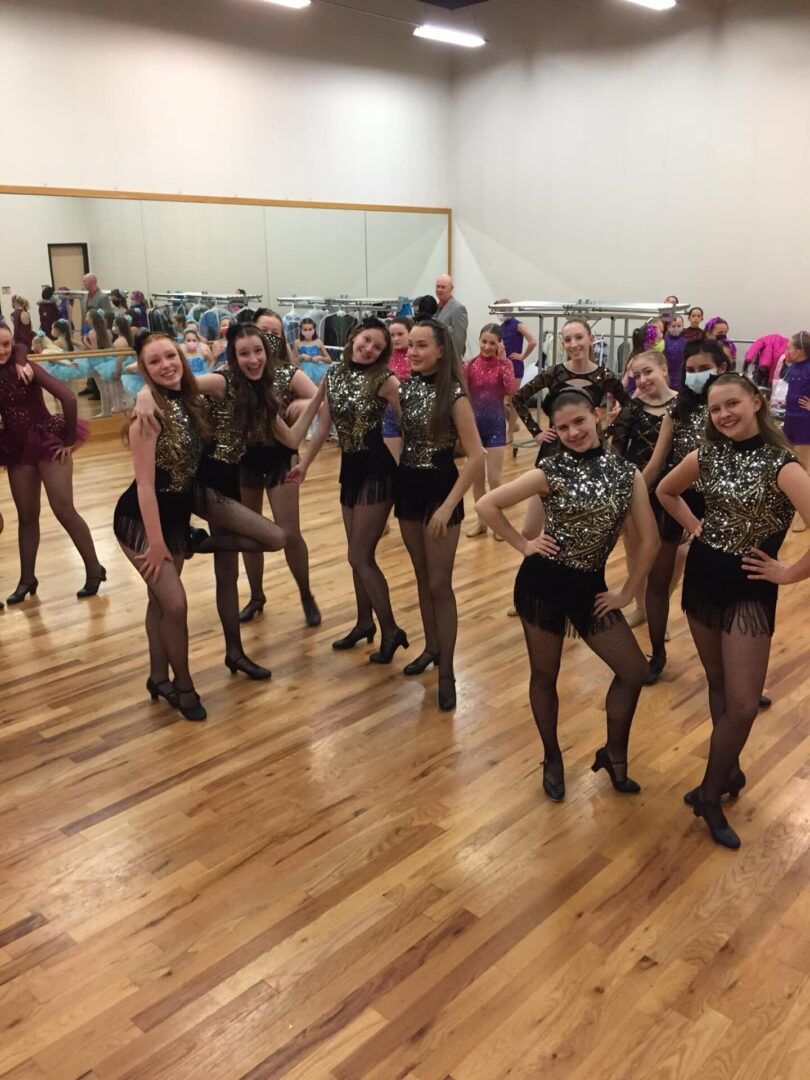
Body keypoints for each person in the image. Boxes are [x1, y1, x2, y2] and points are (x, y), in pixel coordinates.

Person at [477, 387, 658, 801]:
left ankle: (614, 754)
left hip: (590, 588)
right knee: (545, 675)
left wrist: (628, 592)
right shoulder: (549, 470)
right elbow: (487, 505)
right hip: (542, 584)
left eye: (579, 421)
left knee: (633, 671)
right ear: (554, 431)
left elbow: (648, 540)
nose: (573, 431)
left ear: (597, 415)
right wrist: (524, 546)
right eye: (562, 426)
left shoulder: (625, 473)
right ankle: (552, 756)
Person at [657, 374, 810, 849]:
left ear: (757, 402)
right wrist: (695, 526)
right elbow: (665, 490)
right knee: (719, 684)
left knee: (743, 703)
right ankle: (728, 771)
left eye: (732, 404)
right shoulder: (707, 453)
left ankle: (708, 793)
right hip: (704, 578)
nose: (723, 414)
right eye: (715, 408)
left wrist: (787, 573)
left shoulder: (783, 465)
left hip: (750, 586)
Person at [132, 325, 326, 682]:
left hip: (226, 482)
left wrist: (318, 397)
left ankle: (234, 652)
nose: (252, 360)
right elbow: (180, 383)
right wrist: (145, 392)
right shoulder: (222, 381)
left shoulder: (260, 393)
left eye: (258, 352)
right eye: (243, 354)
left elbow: (294, 438)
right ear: (232, 359)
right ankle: (161, 674)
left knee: (229, 573)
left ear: (267, 355)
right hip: (197, 480)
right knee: (166, 591)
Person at [289, 318, 407, 661]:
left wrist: (414, 464)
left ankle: (391, 629)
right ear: (354, 337)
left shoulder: (386, 380)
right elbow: (324, 426)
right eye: (366, 341)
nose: (368, 349)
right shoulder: (334, 375)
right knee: (359, 555)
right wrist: (305, 464)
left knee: (359, 555)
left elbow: (410, 421)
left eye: (377, 347)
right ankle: (363, 623)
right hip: (350, 469)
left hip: (377, 470)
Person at [114, 333, 211, 722]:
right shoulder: (148, 412)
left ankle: (158, 677)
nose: (166, 365)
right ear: (144, 370)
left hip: (175, 517)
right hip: (140, 519)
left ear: (183, 357)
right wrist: (155, 543)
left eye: (170, 356)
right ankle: (183, 685)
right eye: (154, 362)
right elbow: (145, 486)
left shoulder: (189, 398)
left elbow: (218, 380)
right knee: (175, 603)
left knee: (159, 603)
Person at [394, 318, 485, 710]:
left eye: (421, 346)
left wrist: (448, 507)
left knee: (439, 584)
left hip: (440, 491)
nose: (412, 352)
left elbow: (477, 455)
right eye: (410, 345)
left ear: (441, 350)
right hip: (409, 487)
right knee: (420, 576)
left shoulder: (454, 395)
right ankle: (431, 648)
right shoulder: (408, 388)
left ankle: (447, 670)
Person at [640, 340, 731, 682]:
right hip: (675, 496)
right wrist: (626, 500)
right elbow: (655, 465)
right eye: (689, 371)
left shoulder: (730, 409)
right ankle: (657, 653)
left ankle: (735, 667)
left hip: (721, 502)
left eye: (701, 369)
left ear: (720, 367)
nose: (695, 376)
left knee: (722, 584)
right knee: (658, 577)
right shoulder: (676, 411)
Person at [0, 323, 105, 604]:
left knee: (64, 509)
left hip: (46, 442)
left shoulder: (25, 366)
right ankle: (27, 579)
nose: (3, 350)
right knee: (26, 516)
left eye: (7, 344)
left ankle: (94, 569)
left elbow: (68, 398)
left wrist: (69, 439)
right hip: (16, 448)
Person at [511, 317, 631, 543]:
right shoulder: (554, 372)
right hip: (555, 451)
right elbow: (518, 398)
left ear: (590, 339)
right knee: (532, 527)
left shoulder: (604, 376)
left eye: (578, 337)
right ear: (563, 344)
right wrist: (536, 431)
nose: (574, 344)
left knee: (578, 519)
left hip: (589, 454)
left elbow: (629, 407)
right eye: (568, 339)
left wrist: (608, 431)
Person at [238, 309, 321, 627]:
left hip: (280, 458)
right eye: (264, 332)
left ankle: (305, 593)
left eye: (275, 334)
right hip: (244, 458)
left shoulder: (288, 373)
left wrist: (298, 409)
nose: (270, 339)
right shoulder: (235, 373)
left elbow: (319, 402)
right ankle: (256, 595)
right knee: (248, 530)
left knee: (290, 533)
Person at [611, 350, 678, 628]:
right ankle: (641, 607)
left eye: (647, 372)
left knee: (670, 556)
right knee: (636, 551)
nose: (642, 380)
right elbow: (617, 450)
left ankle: (657, 605)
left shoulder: (682, 406)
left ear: (663, 369)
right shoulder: (632, 409)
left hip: (672, 489)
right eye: (636, 376)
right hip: (635, 486)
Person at [463, 323, 516, 538]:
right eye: (484, 341)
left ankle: (498, 524)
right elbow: (464, 396)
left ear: (499, 344)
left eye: (492, 343)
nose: (486, 346)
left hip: (495, 427)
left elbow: (512, 390)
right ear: (479, 340)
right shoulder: (469, 365)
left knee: (494, 478)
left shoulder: (505, 365)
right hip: (474, 428)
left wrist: (503, 362)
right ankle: (481, 521)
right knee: (476, 479)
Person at [783, 331, 810, 531]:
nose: (788, 350)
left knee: (803, 466)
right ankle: (790, 503)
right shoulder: (793, 367)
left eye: (791, 347)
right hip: (790, 419)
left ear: (800, 350)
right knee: (789, 461)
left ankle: (804, 513)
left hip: (805, 422)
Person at [382, 316, 412, 461]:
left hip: (414, 416)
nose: (396, 339)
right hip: (389, 416)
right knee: (392, 465)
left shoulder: (417, 358)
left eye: (400, 334)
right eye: (392, 335)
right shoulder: (384, 360)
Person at [435, 274, 469, 358]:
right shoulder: (435, 307)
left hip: (450, 360)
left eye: (443, 287)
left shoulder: (458, 308)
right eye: (437, 286)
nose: (439, 290)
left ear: (451, 289)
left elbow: (459, 341)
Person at [292, 318, 331, 386]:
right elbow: (292, 362)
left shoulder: (318, 342)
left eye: (310, 329)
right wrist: (301, 357)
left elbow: (329, 360)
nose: (308, 332)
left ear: (314, 329)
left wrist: (320, 358)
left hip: (318, 371)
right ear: (301, 330)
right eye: (305, 330)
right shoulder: (297, 342)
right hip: (303, 370)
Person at [663, 314, 687, 390]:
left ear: (683, 326)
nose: (676, 328)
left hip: (681, 376)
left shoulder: (685, 342)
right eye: (673, 326)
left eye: (679, 326)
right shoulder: (663, 341)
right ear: (668, 327)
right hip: (666, 375)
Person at [11, 296, 34, 364]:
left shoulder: (13, 315)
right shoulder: (27, 313)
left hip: (19, 339)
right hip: (28, 338)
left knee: (21, 359)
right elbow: (31, 327)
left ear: (15, 303)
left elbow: (16, 328)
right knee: (29, 359)